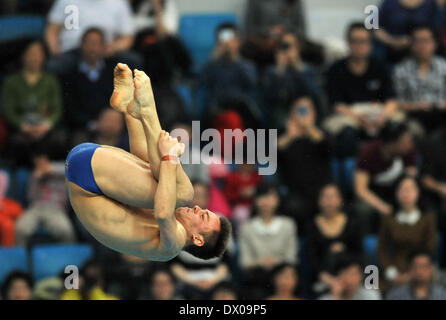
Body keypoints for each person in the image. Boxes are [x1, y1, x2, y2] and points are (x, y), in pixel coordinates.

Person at [65, 63, 232, 262]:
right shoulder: (158, 218)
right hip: (88, 170)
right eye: (205, 211)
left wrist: (170, 158)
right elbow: (141, 158)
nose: (198, 209)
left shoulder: (174, 244)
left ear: (197, 240)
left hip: (88, 177)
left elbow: (162, 214)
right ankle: (129, 107)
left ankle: (147, 109)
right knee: (159, 178)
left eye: (202, 217)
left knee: (183, 193)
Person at [325, 22, 399, 159]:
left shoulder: (380, 66)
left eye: (364, 41)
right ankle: (351, 175)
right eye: (355, 41)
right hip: (350, 115)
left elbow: (391, 100)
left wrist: (382, 117)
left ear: (370, 44)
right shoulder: (336, 69)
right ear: (348, 43)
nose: (359, 45)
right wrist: (359, 118)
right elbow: (336, 105)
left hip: (378, 113)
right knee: (347, 134)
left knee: (397, 129)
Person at [2, 39, 65, 168]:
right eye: (31, 54)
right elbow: (8, 110)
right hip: (22, 129)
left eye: (38, 54)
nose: (34, 58)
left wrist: (47, 125)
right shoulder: (11, 82)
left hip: (45, 128)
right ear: (23, 56)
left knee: (58, 140)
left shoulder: (50, 80)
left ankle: (47, 171)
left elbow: (57, 108)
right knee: (18, 143)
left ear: (43, 57)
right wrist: (23, 126)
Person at [354, 122, 417, 234]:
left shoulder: (408, 150)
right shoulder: (368, 152)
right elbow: (361, 190)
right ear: (392, 143)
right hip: (374, 195)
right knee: (363, 210)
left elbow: (411, 178)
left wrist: (406, 198)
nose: (409, 145)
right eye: (405, 142)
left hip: (397, 192)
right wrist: (383, 208)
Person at [278, 97, 332, 227]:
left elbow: (328, 148)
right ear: (291, 113)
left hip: (321, 192)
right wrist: (289, 136)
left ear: (314, 113)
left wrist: (309, 128)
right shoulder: (283, 135)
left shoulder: (322, 132)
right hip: (296, 193)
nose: (303, 113)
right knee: (293, 208)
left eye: (307, 109)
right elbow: (269, 157)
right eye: (299, 109)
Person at [45, 0, 139, 73]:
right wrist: (55, 49)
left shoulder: (118, 3)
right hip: (72, 52)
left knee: (133, 62)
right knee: (54, 66)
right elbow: (52, 30)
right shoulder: (66, 1)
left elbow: (128, 37)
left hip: (106, 53)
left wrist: (114, 47)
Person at [378, 176, 437, 292]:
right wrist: (392, 273)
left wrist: (413, 273)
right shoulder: (389, 218)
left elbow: (430, 247)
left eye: (410, 189)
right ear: (396, 193)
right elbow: (382, 249)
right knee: (373, 285)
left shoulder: (428, 218)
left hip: (421, 268)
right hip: (395, 268)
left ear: (418, 192)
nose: (406, 193)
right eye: (402, 189)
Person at [239, 183, 298, 299]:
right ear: (255, 200)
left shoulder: (288, 225)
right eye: (262, 197)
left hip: (282, 273)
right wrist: (262, 262)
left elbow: (291, 258)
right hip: (257, 276)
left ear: (278, 200)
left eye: (271, 197)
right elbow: (244, 262)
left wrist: (276, 261)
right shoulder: (246, 228)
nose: (266, 201)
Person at [307, 184, 363, 292]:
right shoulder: (311, 225)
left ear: (340, 199)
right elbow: (312, 258)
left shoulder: (352, 222)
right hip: (324, 279)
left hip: (351, 276)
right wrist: (330, 280)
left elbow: (359, 254)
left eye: (333, 196)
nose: (329, 201)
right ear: (319, 200)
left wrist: (347, 279)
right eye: (325, 197)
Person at [199, 23, 258, 125]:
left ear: (237, 42)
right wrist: (213, 60)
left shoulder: (246, 65)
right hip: (217, 111)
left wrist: (235, 58)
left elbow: (251, 83)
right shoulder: (212, 65)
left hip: (241, 112)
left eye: (231, 39)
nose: (227, 43)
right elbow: (201, 82)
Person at [261, 32, 321, 130]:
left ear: (298, 48)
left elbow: (315, 95)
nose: (287, 50)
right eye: (284, 46)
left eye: (291, 46)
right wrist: (280, 71)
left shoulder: (308, 70)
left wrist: (298, 68)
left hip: (305, 114)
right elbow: (269, 99)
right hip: (281, 116)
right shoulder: (271, 72)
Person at [15, 153, 76, 247]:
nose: (39, 165)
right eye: (37, 163)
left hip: (55, 209)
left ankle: (69, 259)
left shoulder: (61, 170)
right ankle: (19, 258)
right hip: (35, 209)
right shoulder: (34, 175)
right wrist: (36, 181)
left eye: (41, 161)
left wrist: (50, 169)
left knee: (66, 231)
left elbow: (71, 169)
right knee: (20, 229)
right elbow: (30, 198)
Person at [60, 28, 115, 134]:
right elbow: (69, 108)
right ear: (81, 45)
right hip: (81, 129)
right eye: (89, 43)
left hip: (112, 127)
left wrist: (108, 122)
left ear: (103, 47)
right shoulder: (70, 75)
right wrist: (91, 124)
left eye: (96, 43)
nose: (93, 48)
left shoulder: (114, 72)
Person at [393, 25, 446, 134]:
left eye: (426, 40)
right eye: (417, 41)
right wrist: (416, 106)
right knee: (411, 130)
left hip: (441, 114)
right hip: (414, 116)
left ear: (434, 43)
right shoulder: (401, 70)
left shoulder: (444, 67)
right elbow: (397, 102)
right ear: (411, 44)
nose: (422, 45)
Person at [375, 0, 445, 64]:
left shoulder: (430, 4)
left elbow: (436, 29)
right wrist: (392, 41)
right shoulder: (389, 3)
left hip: (424, 52)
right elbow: (374, 26)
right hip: (393, 52)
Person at [0, 171, 23, 246]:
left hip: (4, 203)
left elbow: (19, 213)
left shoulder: (3, 175)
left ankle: (8, 254)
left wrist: (3, 207)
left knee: (8, 225)